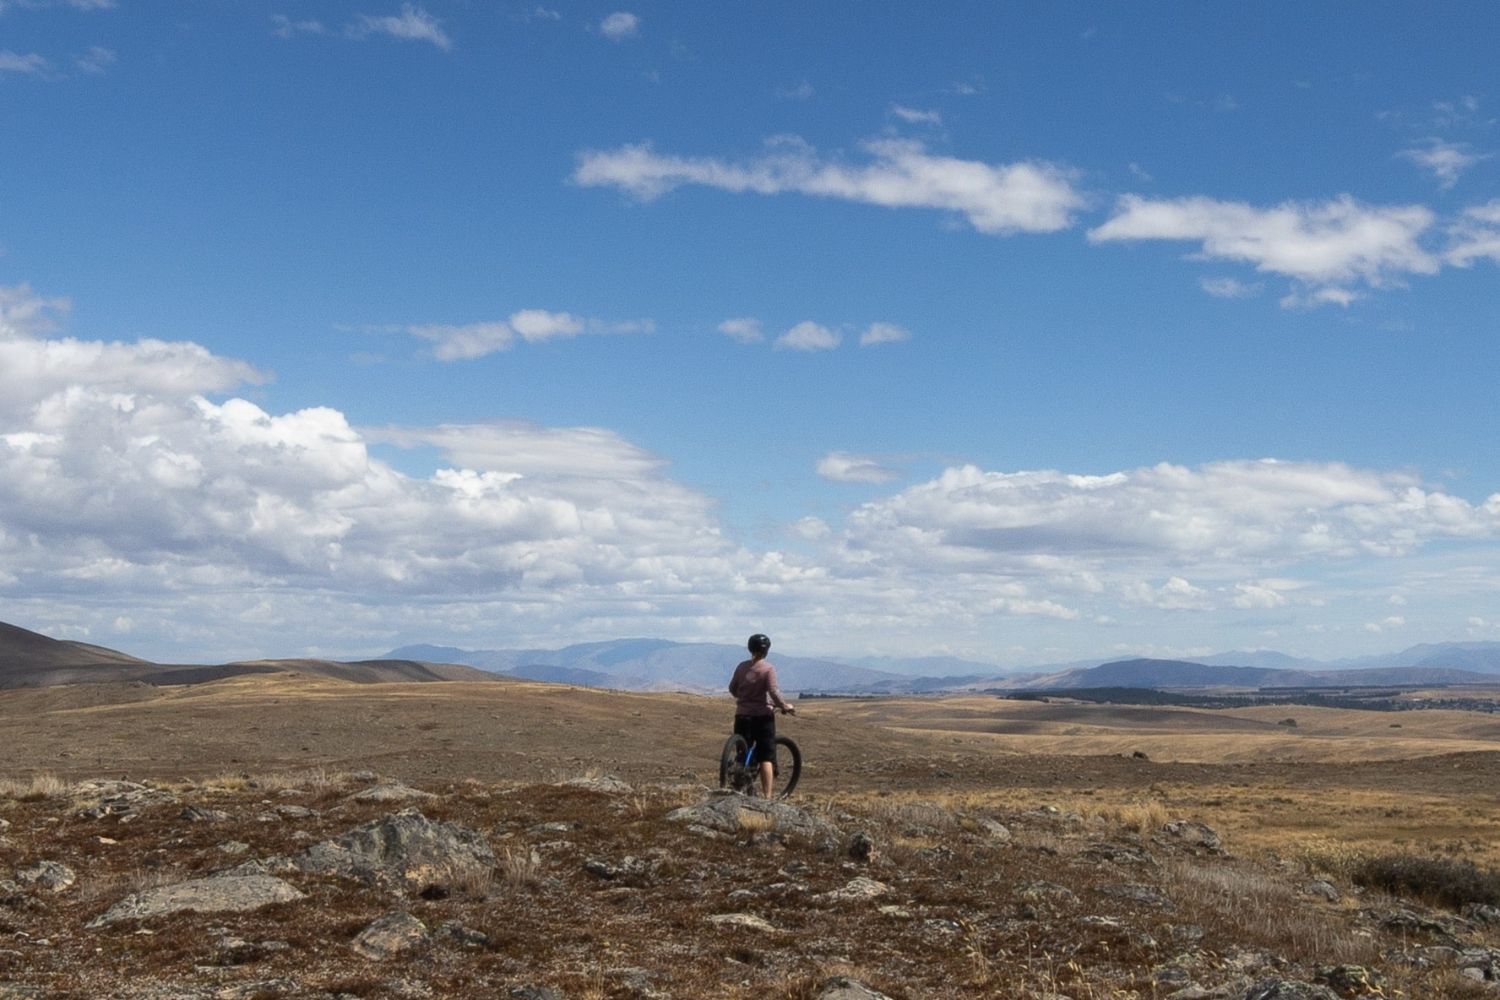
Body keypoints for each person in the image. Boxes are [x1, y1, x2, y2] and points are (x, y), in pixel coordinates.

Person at [728, 632, 795, 797]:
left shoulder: (741, 667)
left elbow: (732, 688)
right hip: (762, 717)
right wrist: (784, 706)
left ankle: (738, 789)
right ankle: (767, 798)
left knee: (742, 754)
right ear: (767, 650)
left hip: (742, 716)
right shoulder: (768, 668)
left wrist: (744, 698)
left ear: (750, 649)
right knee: (766, 756)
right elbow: (773, 691)